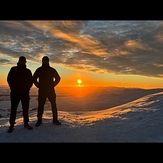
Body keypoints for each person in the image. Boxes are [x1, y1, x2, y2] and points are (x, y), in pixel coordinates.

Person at [7, 56, 33, 133]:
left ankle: (26, 123)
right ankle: (11, 125)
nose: (22, 62)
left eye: (24, 61)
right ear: (19, 61)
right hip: (15, 93)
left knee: (25, 109)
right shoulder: (13, 69)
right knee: (13, 109)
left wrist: (27, 89)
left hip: (25, 93)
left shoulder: (28, 71)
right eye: (21, 61)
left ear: (25, 62)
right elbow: (9, 80)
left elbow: (30, 82)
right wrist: (13, 89)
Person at [33, 56, 61, 126]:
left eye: (46, 60)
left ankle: (55, 120)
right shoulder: (39, 70)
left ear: (48, 61)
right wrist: (38, 85)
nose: (45, 62)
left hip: (50, 90)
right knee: (40, 106)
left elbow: (58, 78)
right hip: (42, 90)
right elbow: (34, 78)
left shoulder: (52, 70)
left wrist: (53, 85)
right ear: (42, 61)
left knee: (53, 105)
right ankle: (39, 121)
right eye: (44, 60)